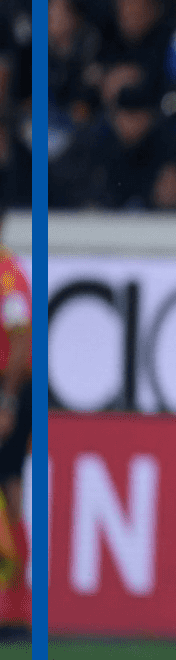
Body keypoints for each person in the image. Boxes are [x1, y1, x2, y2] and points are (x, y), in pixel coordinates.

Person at [0, 243, 30, 638]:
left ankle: (16, 607)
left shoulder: (7, 275)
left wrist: (7, 401)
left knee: (10, 487)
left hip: (9, 387)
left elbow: (21, 339)